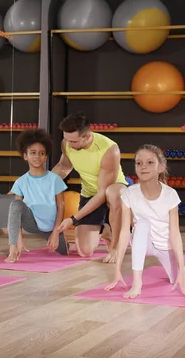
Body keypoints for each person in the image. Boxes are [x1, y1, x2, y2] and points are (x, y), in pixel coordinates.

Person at [105, 144, 185, 299]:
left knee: (175, 279)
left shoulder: (170, 195)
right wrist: (118, 269)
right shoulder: (129, 194)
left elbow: (175, 233)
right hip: (143, 242)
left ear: (160, 167)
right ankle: (137, 283)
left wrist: (181, 269)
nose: (143, 167)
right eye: (139, 163)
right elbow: (124, 231)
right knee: (142, 224)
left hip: (164, 246)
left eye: (150, 162)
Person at [52, 112, 128, 262]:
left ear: (87, 136)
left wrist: (73, 219)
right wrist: (43, 184)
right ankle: (106, 229)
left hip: (112, 192)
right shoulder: (67, 143)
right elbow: (64, 166)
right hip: (89, 193)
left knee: (113, 193)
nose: (69, 145)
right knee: (84, 251)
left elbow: (101, 193)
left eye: (73, 141)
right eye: (66, 139)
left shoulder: (109, 149)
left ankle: (115, 246)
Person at [5, 128, 69, 263]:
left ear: (46, 156)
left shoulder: (55, 179)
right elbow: (17, 213)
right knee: (15, 204)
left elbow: (61, 206)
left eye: (41, 153)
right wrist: (19, 239)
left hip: (51, 225)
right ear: (25, 155)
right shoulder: (21, 181)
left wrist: (56, 233)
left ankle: (62, 240)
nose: (37, 157)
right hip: (31, 222)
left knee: (64, 252)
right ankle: (12, 248)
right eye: (33, 153)